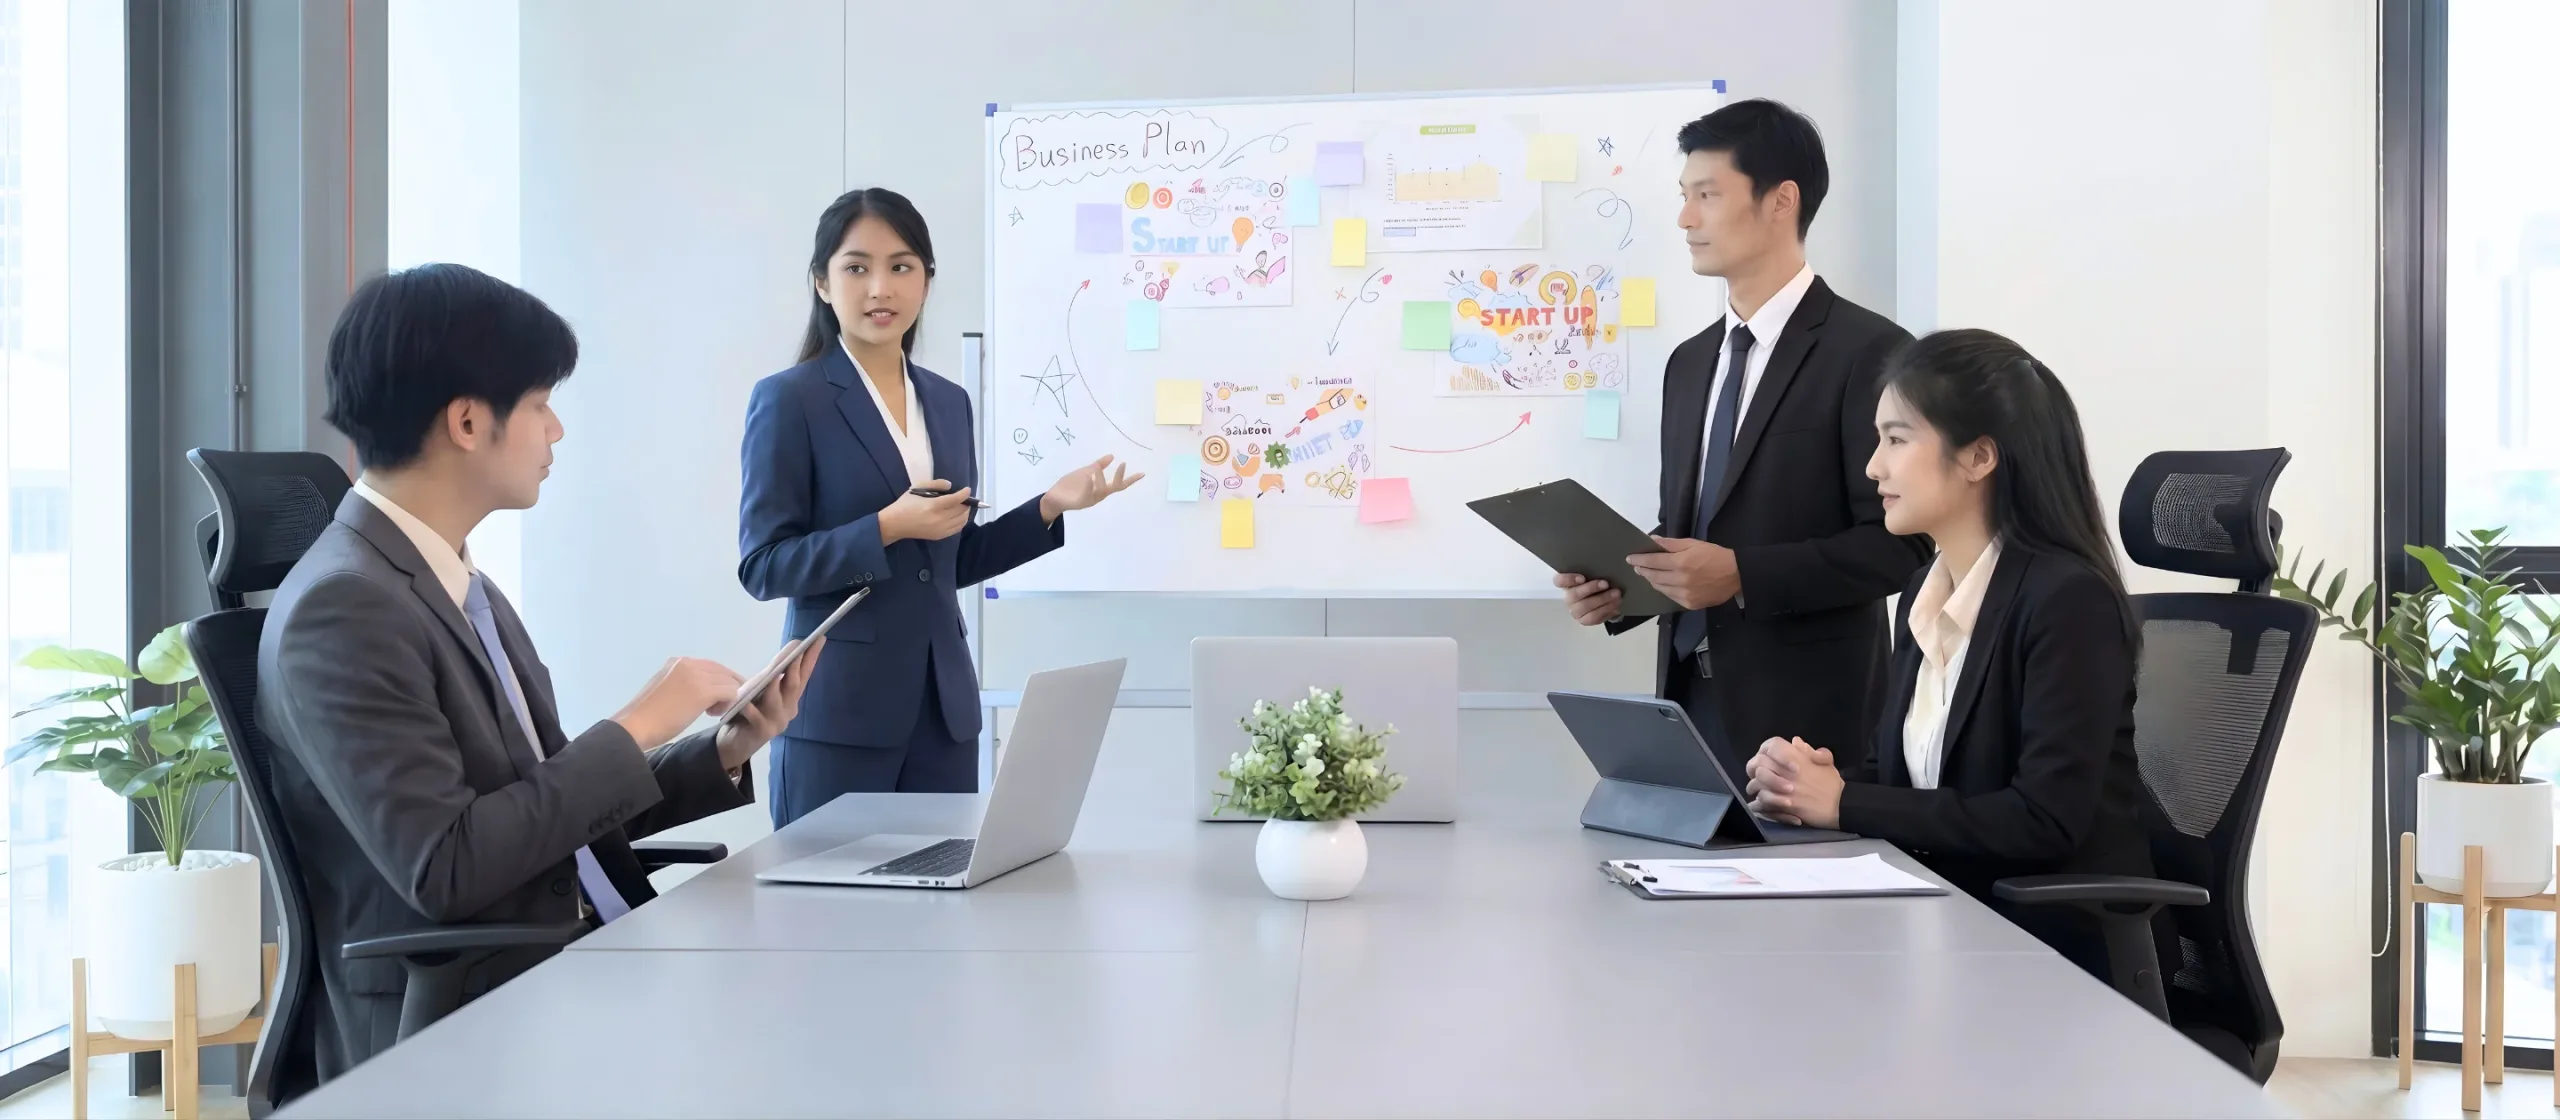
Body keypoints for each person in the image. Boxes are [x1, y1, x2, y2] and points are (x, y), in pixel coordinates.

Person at [260, 262, 820, 1081]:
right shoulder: (343, 610)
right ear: (465, 421)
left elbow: (543, 808)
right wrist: (636, 724)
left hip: (565, 961)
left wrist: (720, 751)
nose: (556, 431)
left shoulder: (454, 582)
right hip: (475, 1018)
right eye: (539, 405)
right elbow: (448, 869)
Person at [1739, 328, 2161, 979]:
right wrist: (1815, 785)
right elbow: (1909, 780)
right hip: (1949, 927)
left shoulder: (2066, 602)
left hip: (2049, 954)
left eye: (1897, 440)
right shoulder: (1927, 591)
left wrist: (1844, 803)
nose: (1873, 467)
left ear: (1978, 458)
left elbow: (2043, 820)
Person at [739, 188, 1139, 825]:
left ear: (926, 280)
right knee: (827, 919)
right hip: (839, 716)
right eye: (856, 267)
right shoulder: (791, 400)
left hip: (943, 715)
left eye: (901, 267)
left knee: (938, 909)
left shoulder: (949, 402)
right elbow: (763, 566)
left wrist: (1049, 507)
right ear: (821, 283)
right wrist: (887, 528)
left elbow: (951, 559)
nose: (880, 288)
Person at [1557, 99, 1930, 778]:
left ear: (1780, 200)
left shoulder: (1871, 352)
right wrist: (1624, 586)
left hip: (1809, 728)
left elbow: (1902, 545)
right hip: (1687, 708)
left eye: (1707, 194)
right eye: (1683, 196)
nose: (1686, 218)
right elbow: (1690, 528)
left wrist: (1740, 575)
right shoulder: (1690, 363)